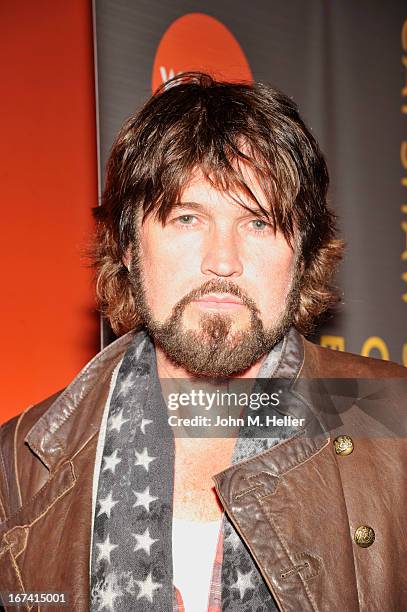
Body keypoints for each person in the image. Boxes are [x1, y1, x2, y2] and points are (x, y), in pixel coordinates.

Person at [0, 72, 406, 612]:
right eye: (188, 218)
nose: (223, 260)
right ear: (127, 246)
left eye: (258, 223)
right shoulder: (22, 461)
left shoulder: (394, 422)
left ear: (304, 253)